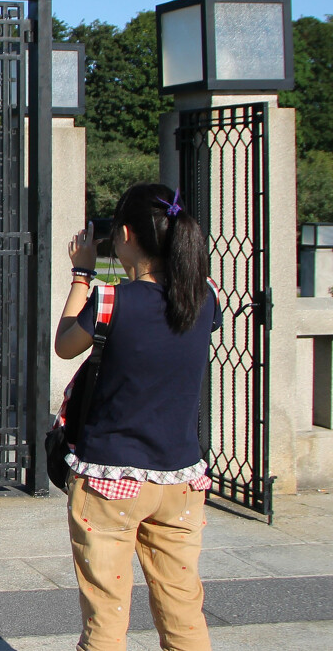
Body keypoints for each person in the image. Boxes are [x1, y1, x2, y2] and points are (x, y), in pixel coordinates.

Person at [54, 183, 222, 651]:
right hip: (181, 480)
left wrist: (82, 273)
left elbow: (65, 343)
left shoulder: (112, 301)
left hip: (110, 477)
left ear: (125, 234)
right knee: (183, 610)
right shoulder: (205, 297)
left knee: (106, 618)